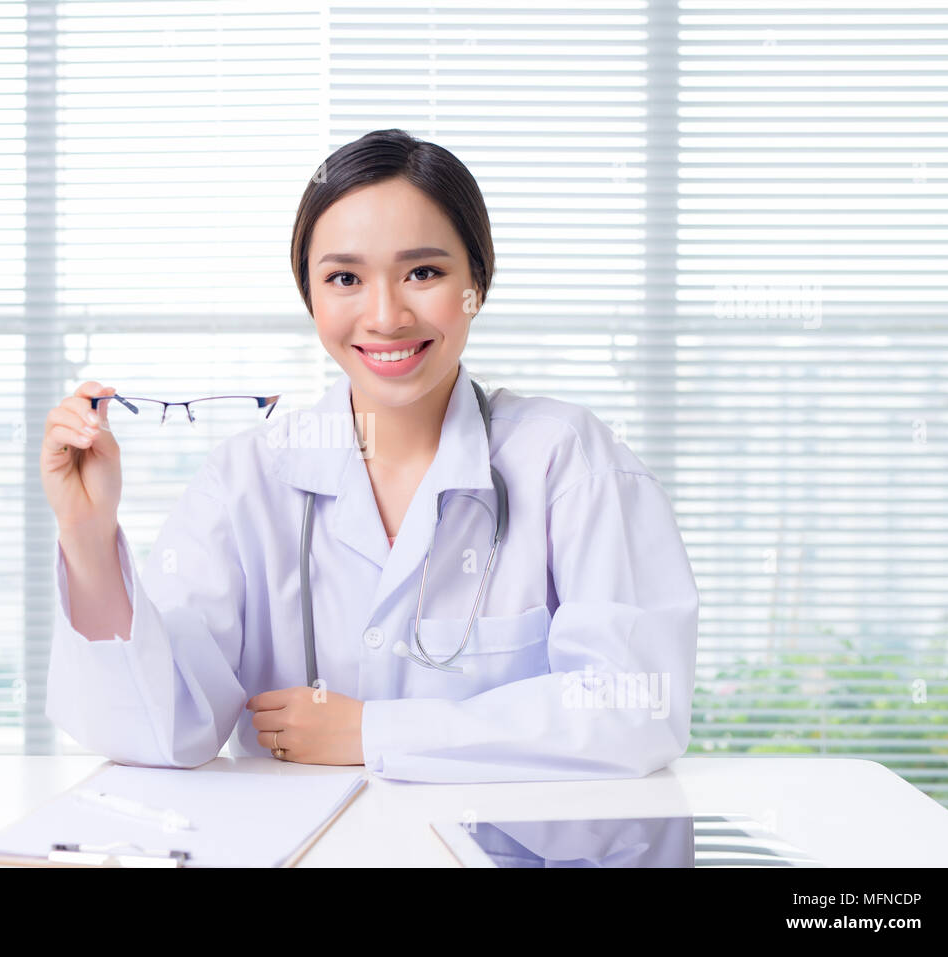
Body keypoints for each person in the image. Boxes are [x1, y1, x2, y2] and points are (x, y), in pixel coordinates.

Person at [39, 129, 699, 783]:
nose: (385, 315)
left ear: (478, 281)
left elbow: (633, 706)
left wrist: (372, 731)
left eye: (424, 272)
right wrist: (90, 540)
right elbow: (162, 727)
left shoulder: (570, 462)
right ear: (311, 295)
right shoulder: (246, 480)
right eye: (345, 277)